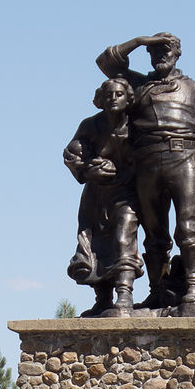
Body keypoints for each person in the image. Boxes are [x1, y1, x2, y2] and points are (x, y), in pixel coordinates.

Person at [96, 33, 195, 315]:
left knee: (188, 227)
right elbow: (106, 62)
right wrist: (141, 40)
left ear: (177, 54)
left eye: (166, 50)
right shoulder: (137, 85)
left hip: (183, 159)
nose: (160, 55)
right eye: (154, 51)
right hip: (145, 163)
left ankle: (193, 291)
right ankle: (158, 292)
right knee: (154, 234)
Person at [63, 77, 142, 316]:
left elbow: (152, 156)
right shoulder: (90, 125)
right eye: (108, 95)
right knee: (93, 242)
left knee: (122, 237)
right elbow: (71, 153)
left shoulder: (138, 125)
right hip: (96, 194)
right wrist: (88, 169)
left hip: (127, 191)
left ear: (128, 98)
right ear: (100, 100)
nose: (113, 99)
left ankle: (124, 293)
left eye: (119, 94)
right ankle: (103, 298)